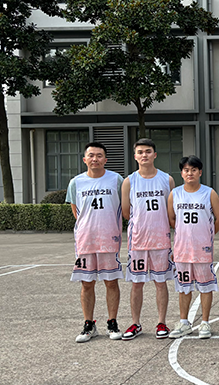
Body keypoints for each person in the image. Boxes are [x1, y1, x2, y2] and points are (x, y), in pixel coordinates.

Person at [67, 142, 124, 343]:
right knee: (87, 283)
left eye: (99, 155)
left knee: (111, 282)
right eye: (91, 155)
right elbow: (76, 211)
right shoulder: (76, 182)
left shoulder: (116, 180)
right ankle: (89, 324)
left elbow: (124, 206)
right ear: (84, 159)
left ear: (105, 159)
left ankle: (112, 322)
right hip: (85, 241)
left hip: (109, 240)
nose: (95, 159)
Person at [120, 139, 175, 340]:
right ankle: (135, 323)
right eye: (140, 152)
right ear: (135, 156)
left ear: (155, 155)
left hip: (161, 239)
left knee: (160, 282)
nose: (144, 155)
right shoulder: (129, 181)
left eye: (148, 151)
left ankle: (162, 322)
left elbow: (171, 210)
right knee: (137, 283)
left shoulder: (167, 180)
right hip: (138, 240)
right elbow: (126, 212)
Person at [167, 156, 219, 340]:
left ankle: (205, 322)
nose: (189, 173)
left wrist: (207, 235)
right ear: (181, 173)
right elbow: (172, 219)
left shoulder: (209, 193)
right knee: (184, 287)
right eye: (186, 170)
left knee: (205, 287)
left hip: (202, 249)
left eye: (193, 170)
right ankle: (184, 322)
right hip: (182, 249)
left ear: (200, 172)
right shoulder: (175, 193)